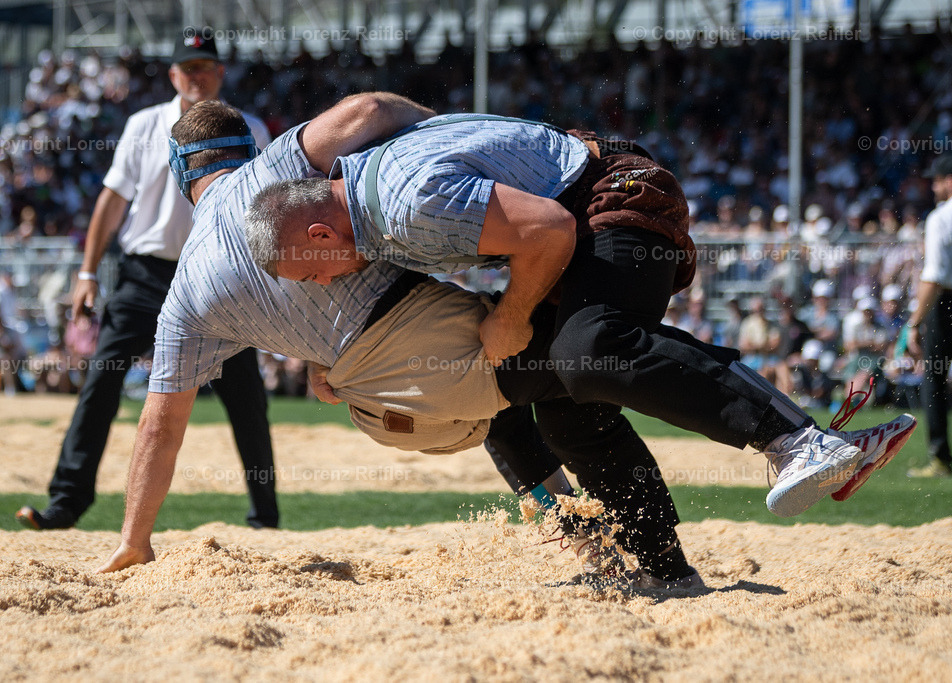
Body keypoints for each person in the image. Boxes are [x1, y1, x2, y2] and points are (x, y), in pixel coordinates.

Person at [97, 96, 696, 589]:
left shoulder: (185, 295)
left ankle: (585, 541)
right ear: (245, 148)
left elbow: (160, 424)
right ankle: (687, 510)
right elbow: (371, 106)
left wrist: (134, 538)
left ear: (181, 177)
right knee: (576, 369)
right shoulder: (282, 173)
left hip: (394, 400)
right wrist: (444, 142)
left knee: (509, 414)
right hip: (441, 330)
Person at [249, 112, 917, 519]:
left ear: (317, 234)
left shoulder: (400, 201)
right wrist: (319, 354)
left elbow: (546, 229)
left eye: (313, 274)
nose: (321, 285)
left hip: (614, 193)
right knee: (563, 395)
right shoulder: (359, 205)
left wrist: (511, 315)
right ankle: (660, 566)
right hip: (573, 214)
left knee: (586, 347)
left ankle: (800, 441)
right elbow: (379, 108)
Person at [15, 29, 279, 530]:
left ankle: (264, 513)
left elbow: (266, 204)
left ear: (220, 73)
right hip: (146, 273)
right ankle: (67, 501)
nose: (197, 75)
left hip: (220, 274)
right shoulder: (143, 124)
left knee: (246, 394)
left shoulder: (251, 129)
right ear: (173, 74)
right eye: (188, 67)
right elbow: (112, 201)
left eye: (205, 66)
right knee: (101, 381)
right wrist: (87, 272)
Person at [906, 154, 952, 478]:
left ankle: (940, 457)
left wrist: (914, 322)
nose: (933, 186)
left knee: (934, 378)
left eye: (937, 180)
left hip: (945, 303)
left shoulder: (940, 218)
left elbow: (934, 276)